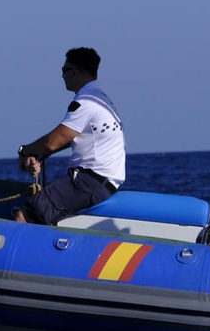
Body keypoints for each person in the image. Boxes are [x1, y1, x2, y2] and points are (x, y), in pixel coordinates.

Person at [14, 47, 126, 224]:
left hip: (89, 182)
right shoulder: (101, 99)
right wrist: (39, 155)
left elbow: (53, 141)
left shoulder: (86, 102)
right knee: (40, 209)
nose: (62, 76)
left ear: (74, 72)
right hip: (103, 183)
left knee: (24, 216)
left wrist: (25, 150)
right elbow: (68, 139)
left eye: (63, 70)